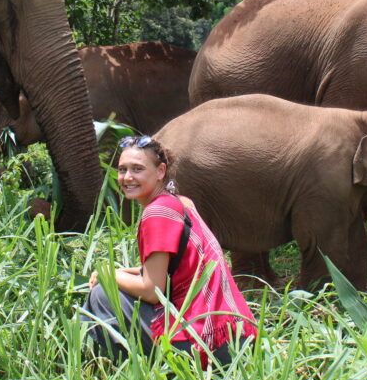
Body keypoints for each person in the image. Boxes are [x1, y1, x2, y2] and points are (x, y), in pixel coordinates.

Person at [81, 135, 257, 366]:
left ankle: (118, 375)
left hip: (208, 343)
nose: (127, 177)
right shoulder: (180, 203)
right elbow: (180, 267)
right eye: (122, 169)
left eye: (137, 169)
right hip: (238, 337)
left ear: (161, 171)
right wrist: (125, 272)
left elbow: (152, 290)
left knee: (102, 296)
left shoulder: (156, 214)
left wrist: (109, 275)